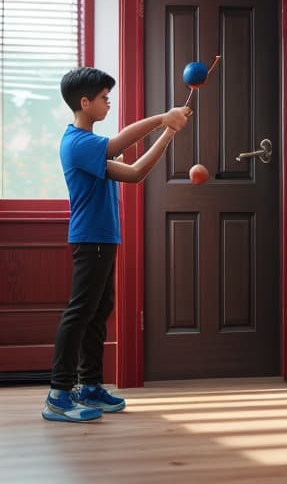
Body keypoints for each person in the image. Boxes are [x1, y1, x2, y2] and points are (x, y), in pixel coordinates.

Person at [42, 66, 191, 422]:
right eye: (104, 98)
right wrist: (162, 118)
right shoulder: (79, 143)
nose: (109, 103)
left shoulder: (92, 149)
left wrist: (169, 132)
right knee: (80, 313)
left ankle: (89, 386)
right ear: (84, 102)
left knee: (97, 312)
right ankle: (58, 395)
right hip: (90, 238)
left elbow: (136, 172)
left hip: (103, 239)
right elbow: (119, 144)